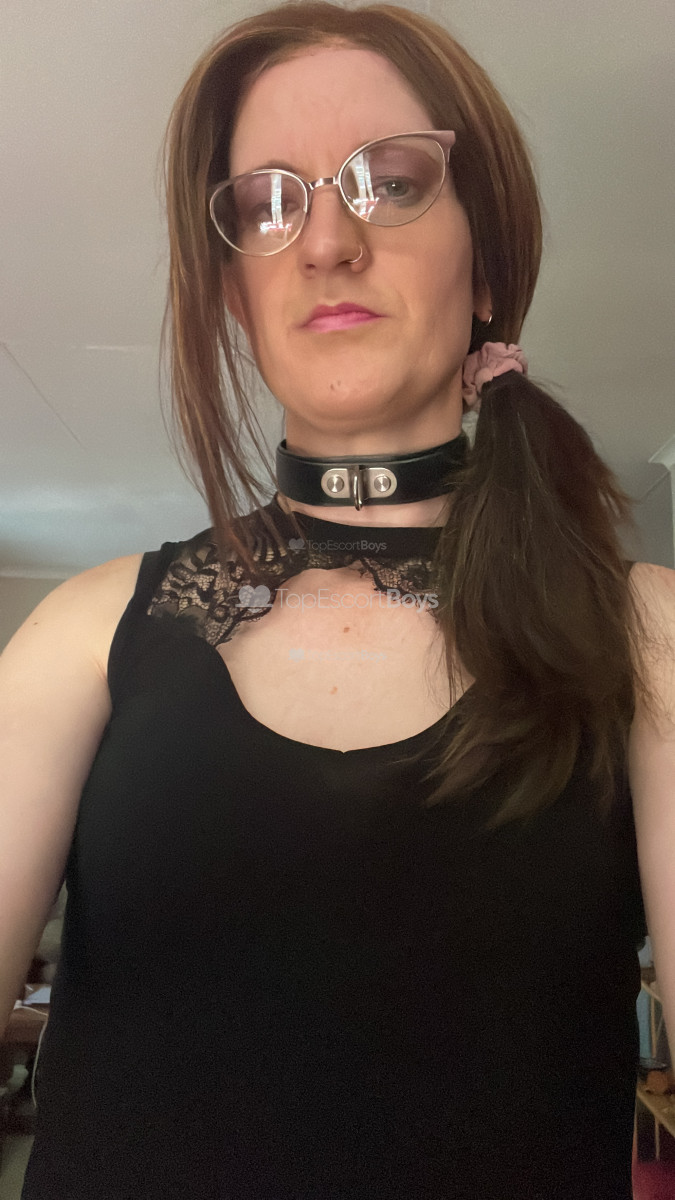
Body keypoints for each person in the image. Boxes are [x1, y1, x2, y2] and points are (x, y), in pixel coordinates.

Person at [2, 2, 674, 1197]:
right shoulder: (85, 636)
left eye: (392, 183)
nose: (324, 241)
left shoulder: (649, 639)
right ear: (234, 293)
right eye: (267, 204)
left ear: (488, 266)